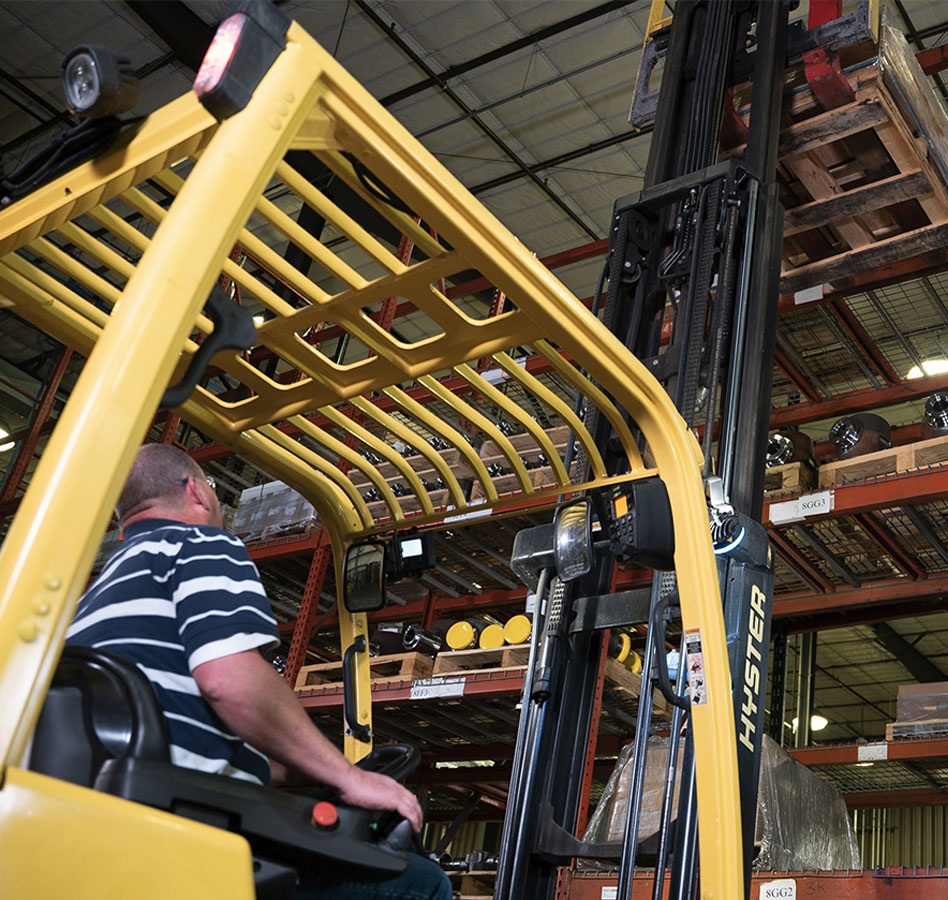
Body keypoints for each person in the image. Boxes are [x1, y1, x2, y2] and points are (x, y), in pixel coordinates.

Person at [67, 443, 451, 900]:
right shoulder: (200, 545)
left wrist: (295, 769)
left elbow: (177, 725)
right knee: (421, 884)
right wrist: (350, 778)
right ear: (197, 492)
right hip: (194, 833)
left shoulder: (94, 596)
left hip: (110, 824)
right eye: (211, 487)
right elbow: (228, 681)